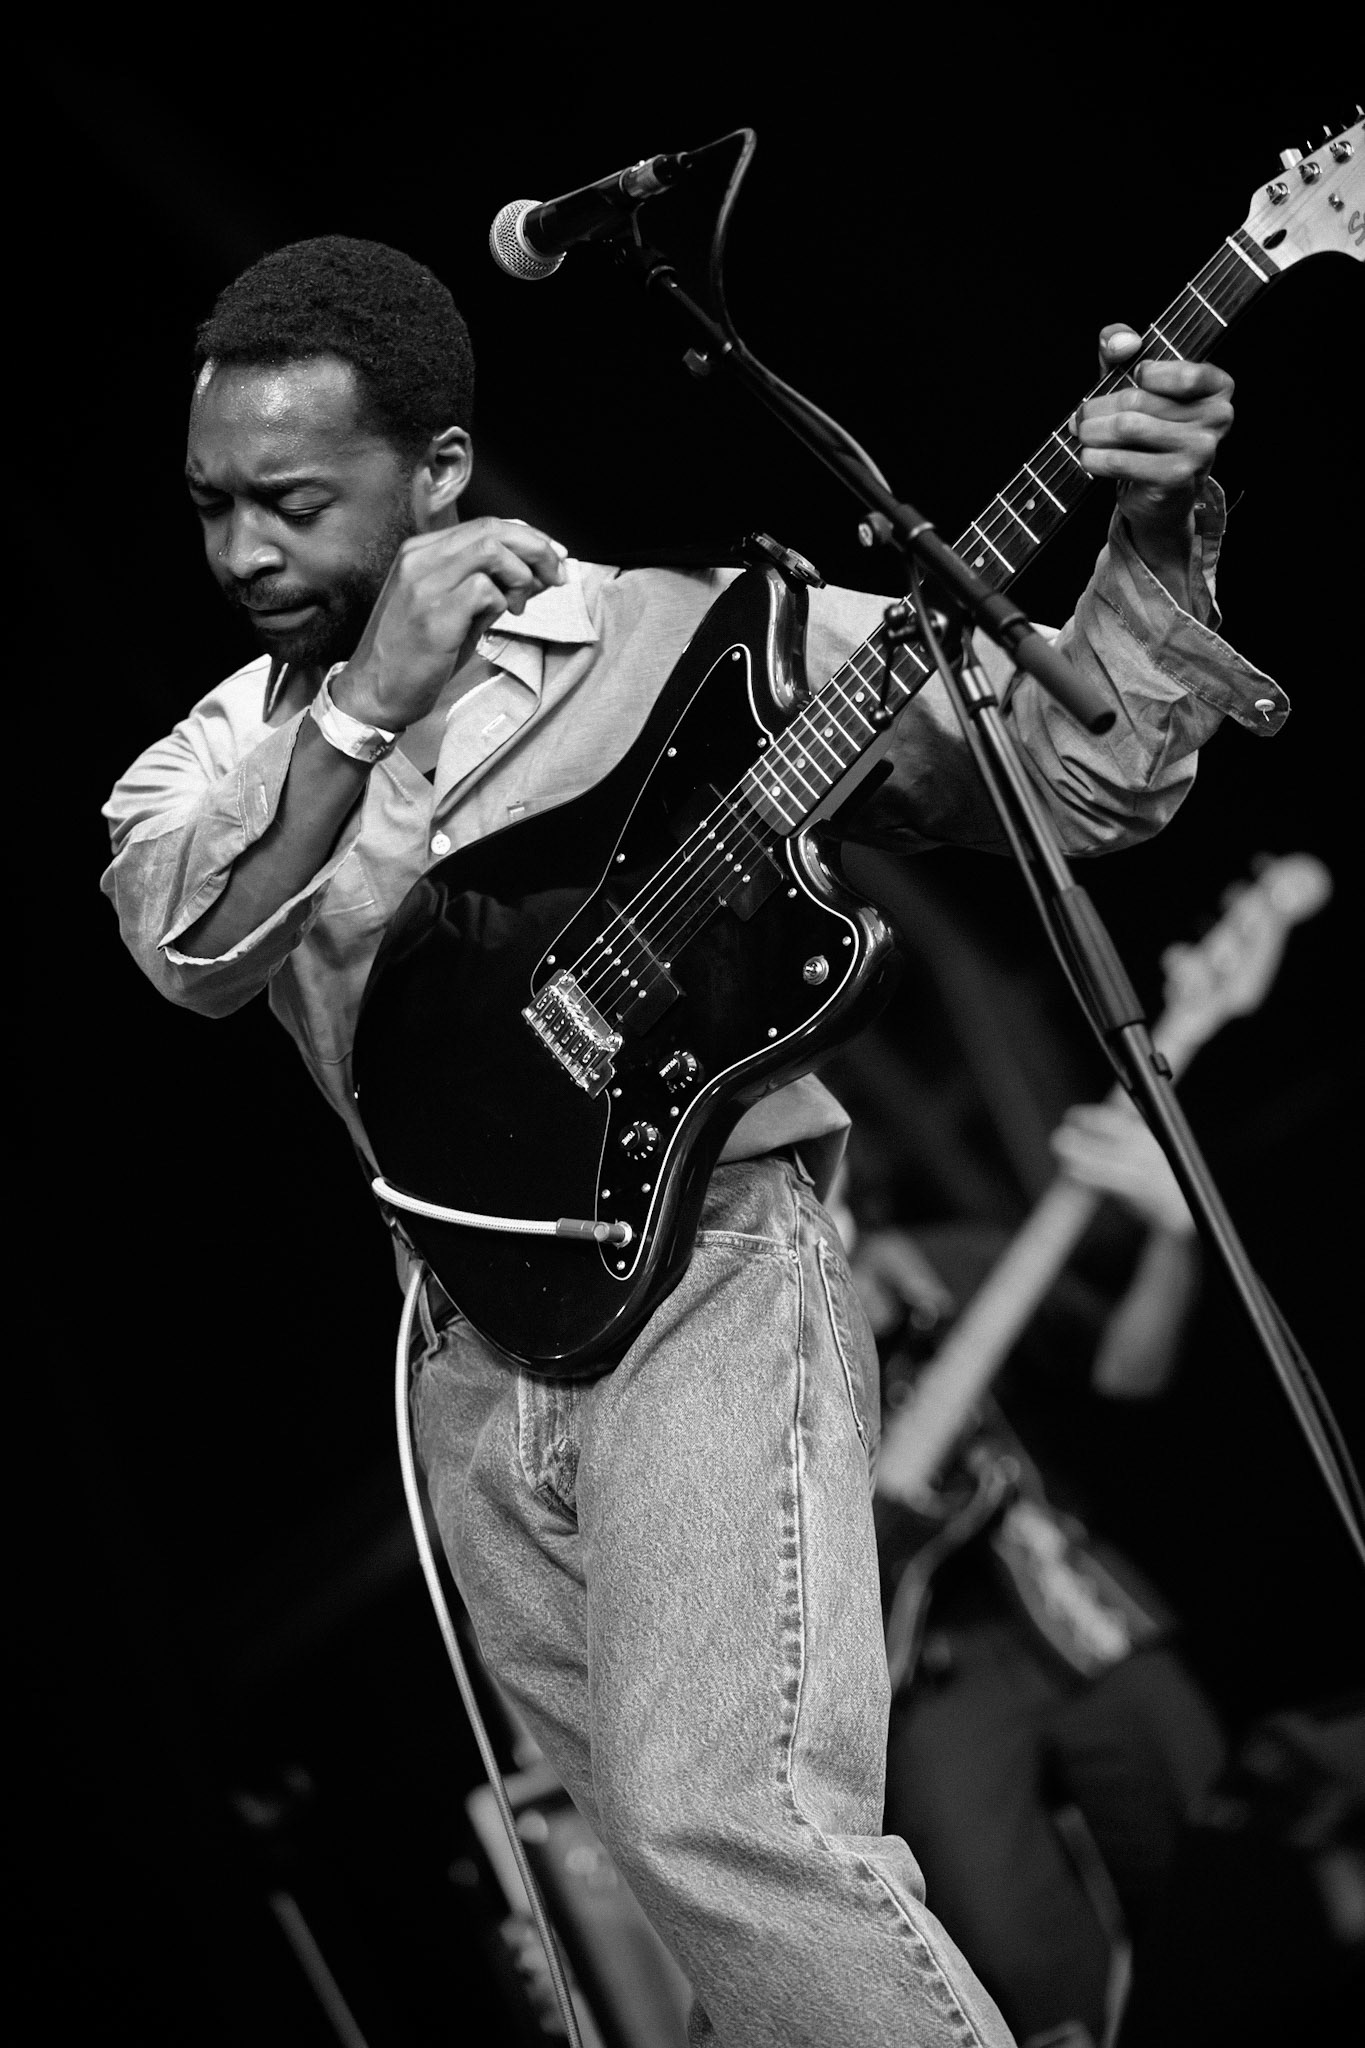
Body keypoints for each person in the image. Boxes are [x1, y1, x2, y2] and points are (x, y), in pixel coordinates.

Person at [101, 233, 1283, 2048]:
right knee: (663, 1911)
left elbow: (1082, 784)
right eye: (210, 509)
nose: (245, 550)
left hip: (717, 1262)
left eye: (292, 501)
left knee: (724, 1822)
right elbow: (192, 949)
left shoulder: (686, 631)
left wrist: (1150, 538)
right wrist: (363, 706)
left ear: (433, 476)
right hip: (472, 1348)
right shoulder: (213, 761)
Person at [847, 1100, 1225, 2048]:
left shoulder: (953, 1261)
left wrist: (1176, 1235)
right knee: (1017, 1969)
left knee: (1224, 1869)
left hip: (1070, 1604)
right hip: (919, 1681)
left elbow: (1126, 1373)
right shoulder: (749, 1354)